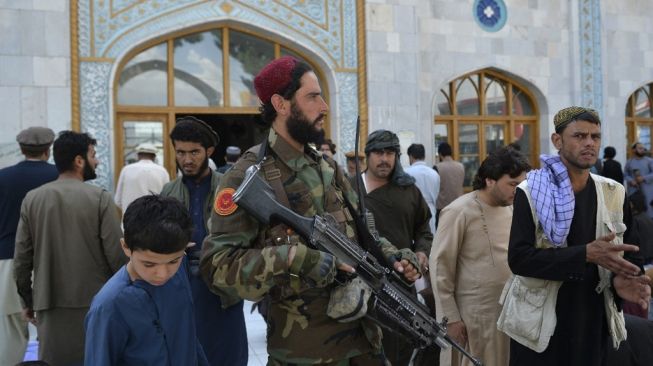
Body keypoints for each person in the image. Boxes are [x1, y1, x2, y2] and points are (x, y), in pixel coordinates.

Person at [200, 56, 421, 365]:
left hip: (365, 345)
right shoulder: (246, 176)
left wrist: (394, 258)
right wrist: (297, 258)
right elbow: (216, 268)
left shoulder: (327, 167)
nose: (324, 107)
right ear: (281, 103)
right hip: (304, 354)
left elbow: (362, 237)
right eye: (313, 96)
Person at [506, 106, 651, 365]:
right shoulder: (530, 191)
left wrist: (624, 280)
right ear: (557, 140)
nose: (589, 143)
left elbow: (632, 251)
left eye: (595, 137)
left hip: (594, 320)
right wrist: (584, 254)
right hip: (542, 325)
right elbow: (519, 259)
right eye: (579, 136)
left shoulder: (613, 192)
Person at [13, 131, 126, 365]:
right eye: (93, 155)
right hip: (96, 302)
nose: (97, 161)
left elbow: (22, 259)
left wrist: (29, 301)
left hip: (49, 302)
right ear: (79, 160)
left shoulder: (33, 199)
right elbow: (116, 255)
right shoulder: (100, 198)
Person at [431, 146, 530, 366]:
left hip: (509, 314)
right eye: (512, 184)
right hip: (473, 318)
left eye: (521, 184)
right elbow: (440, 268)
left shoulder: (514, 209)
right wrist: (451, 319)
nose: (518, 190)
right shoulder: (458, 211)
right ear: (490, 180)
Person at [160, 117, 247, 366]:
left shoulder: (230, 189)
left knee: (227, 355)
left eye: (194, 152)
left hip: (224, 289)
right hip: (183, 288)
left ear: (209, 151)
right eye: (181, 153)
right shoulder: (168, 191)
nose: (187, 160)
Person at [84, 195, 209, 366]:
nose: (162, 274)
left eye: (173, 261)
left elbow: (188, 337)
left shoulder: (180, 272)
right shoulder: (109, 306)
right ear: (126, 248)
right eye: (149, 264)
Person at [362, 132, 434, 365]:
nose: (384, 159)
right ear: (368, 155)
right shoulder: (350, 189)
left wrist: (421, 255)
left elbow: (424, 230)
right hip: (359, 286)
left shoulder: (409, 190)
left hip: (402, 285)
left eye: (390, 153)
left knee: (399, 350)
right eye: (378, 153)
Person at [0, 127, 58, 366]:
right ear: (48, 149)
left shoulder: (2, 177)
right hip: (49, 258)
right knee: (51, 326)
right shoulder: (58, 176)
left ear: (22, 149)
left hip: (7, 257)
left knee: (9, 328)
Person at [114, 142, 169, 211]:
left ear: (138, 155)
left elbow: (117, 200)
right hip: (156, 219)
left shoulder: (127, 170)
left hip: (131, 219)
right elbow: (168, 199)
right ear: (154, 156)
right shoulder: (162, 171)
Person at [406, 143, 441, 233]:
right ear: (424, 156)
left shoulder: (406, 173)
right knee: (430, 239)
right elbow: (436, 193)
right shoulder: (434, 173)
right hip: (431, 211)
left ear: (411, 156)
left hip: (412, 211)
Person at [435, 142, 464, 225]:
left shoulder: (437, 167)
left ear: (440, 154)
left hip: (442, 207)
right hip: (459, 205)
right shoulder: (460, 166)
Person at [625, 142, 653, 218]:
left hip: (648, 191)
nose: (642, 150)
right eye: (640, 148)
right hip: (634, 191)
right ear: (634, 150)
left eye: (643, 148)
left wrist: (643, 178)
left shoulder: (649, 161)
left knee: (649, 213)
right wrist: (631, 180)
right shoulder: (629, 162)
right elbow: (625, 174)